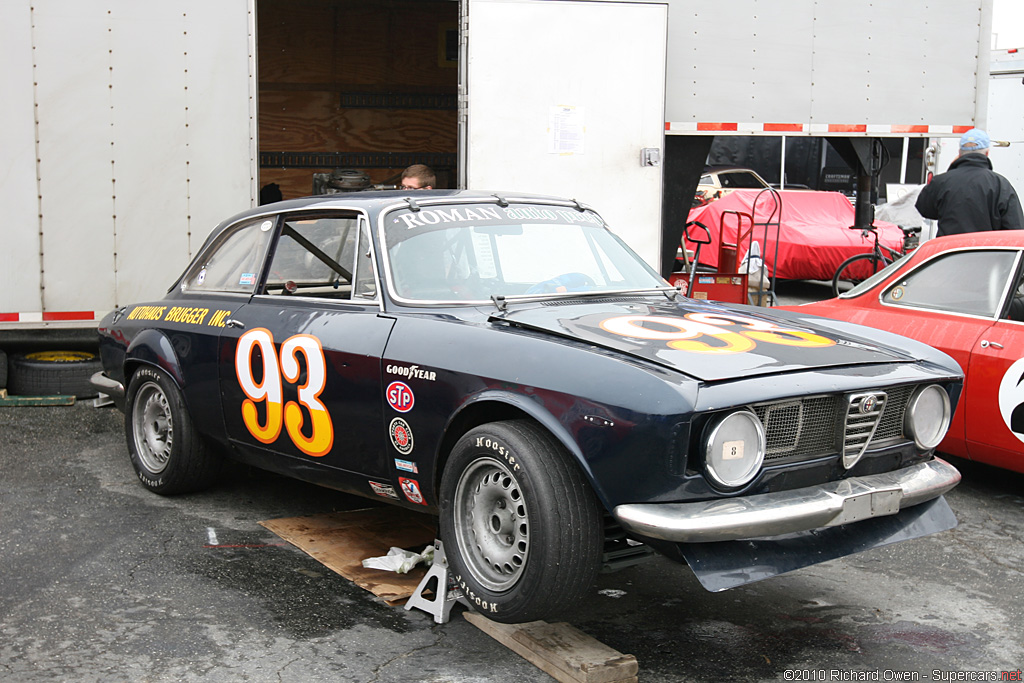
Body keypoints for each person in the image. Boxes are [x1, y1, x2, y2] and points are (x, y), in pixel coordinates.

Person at [915, 128, 1024, 236]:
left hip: (949, 251)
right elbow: (1015, 227)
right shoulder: (1000, 184)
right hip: (986, 251)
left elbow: (924, 209)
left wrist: (950, 171)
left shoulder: (942, 181)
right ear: (987, 153)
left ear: (959, 153)